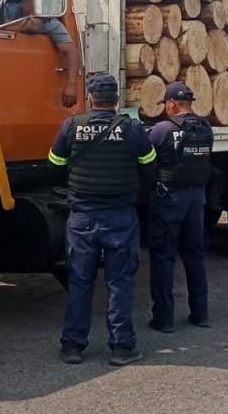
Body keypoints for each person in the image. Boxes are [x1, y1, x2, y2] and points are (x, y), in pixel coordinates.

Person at [47, 73, 157, 366]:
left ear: (91, 100)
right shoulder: (133, 129)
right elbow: (150, 167)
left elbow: (55, 164)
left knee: (81, 283)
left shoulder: (72, 125)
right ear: (117, 101)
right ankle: (122, 348)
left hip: (82, 217)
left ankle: (72, 347)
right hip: (121, 216)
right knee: (119, 283)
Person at [146, 82, 215, 333]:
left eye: (166, 104)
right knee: (195, 256)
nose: (166, 108)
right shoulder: (206, 128)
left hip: (168, 201)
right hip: (196, 200)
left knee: (163, 258)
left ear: (172, 103)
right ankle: (200, 314)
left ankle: (163, 320)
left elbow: (145, 157)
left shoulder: (162, 130)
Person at [0, 0, 81, 108]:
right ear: (24, 2)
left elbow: (71, 51)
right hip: (4, 72)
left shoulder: (48, 21)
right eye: (36, 6)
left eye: (42, 7)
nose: (38, 12)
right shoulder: (9, 9)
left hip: (34, 81)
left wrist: (71, 85)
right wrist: (28, 24)